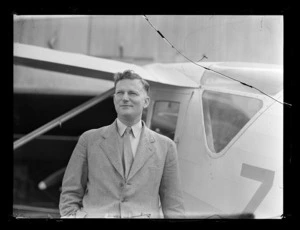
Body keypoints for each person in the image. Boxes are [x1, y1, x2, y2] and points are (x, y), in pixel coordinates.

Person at [59, 70, 185, 218]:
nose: (125, 98)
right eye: (120, 93)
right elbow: (70, 192)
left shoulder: (166, 146)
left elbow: (174, 206)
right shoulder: (89, 140)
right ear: (114, 99)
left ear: (146, 102)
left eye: (132, 93)